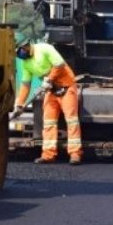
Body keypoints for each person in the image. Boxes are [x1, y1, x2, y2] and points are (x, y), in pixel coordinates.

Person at [13, 33, 83, 165]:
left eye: (20, 50)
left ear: (26, 45)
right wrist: (19, 104)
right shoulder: (26, 63)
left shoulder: (44, 48)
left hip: (66, 87)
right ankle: (48, 154)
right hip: (51, 91)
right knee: (48, 122)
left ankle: (75, 154)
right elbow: (25, 85)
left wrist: (49, 79)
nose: (20, 54)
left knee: (72, 120)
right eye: (17, 53)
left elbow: (59, 64)